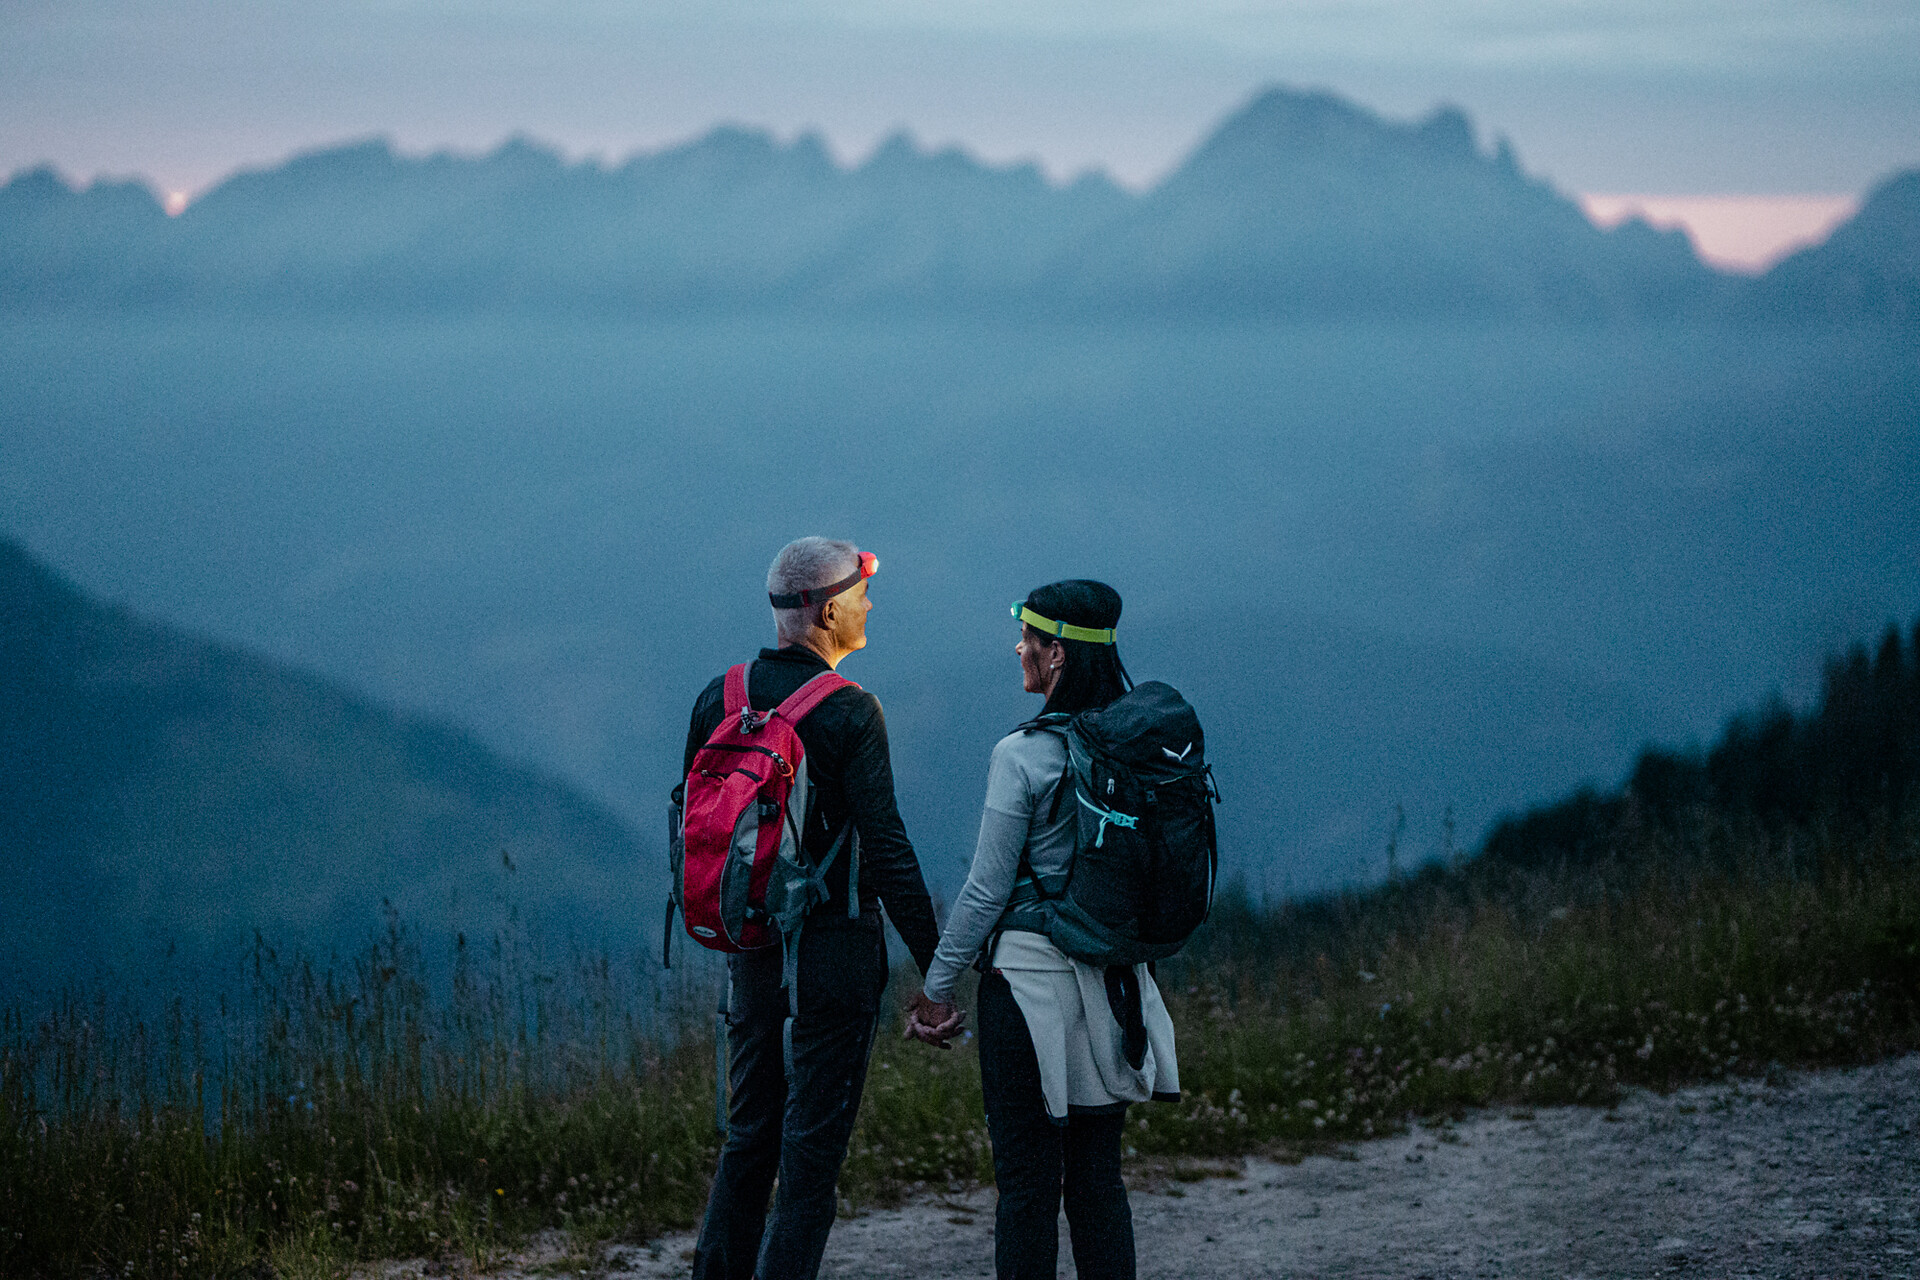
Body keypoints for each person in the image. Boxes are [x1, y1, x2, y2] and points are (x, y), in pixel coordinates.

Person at [688, 537, 961, 1280]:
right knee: (809, 1164)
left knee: (749, 1143)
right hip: (836, 956)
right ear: (831, 608)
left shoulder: (721, 697)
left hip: (750, 950)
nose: (870, 606)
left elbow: (696, 827)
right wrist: (937, 977)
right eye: (862, 595)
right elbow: (891, 854)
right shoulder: (851, 713)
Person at [913, 580, 1180, 1280]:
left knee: (1028, 1188)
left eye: (1028, 637)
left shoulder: (1022, 756)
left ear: (1056, 654)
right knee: (1098, 1182)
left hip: (1028, 993)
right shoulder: (1137, 747)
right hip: (1115, 988)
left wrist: (937, 988)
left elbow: (985, 889)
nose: (1019, 649)